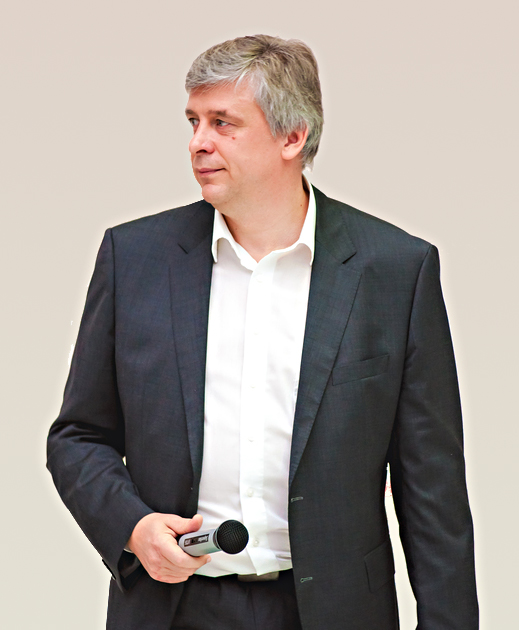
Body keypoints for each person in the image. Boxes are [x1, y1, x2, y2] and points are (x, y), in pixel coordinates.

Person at [47, 35, 478, 629]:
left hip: (333, 613)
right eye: (194, 121)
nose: (199, 142)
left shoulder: (395, 270)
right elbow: (78, 436)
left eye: (223, 123)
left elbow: (434, 489)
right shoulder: (135, 258)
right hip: (173, 609)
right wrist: (133, 527)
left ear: (292, 137)